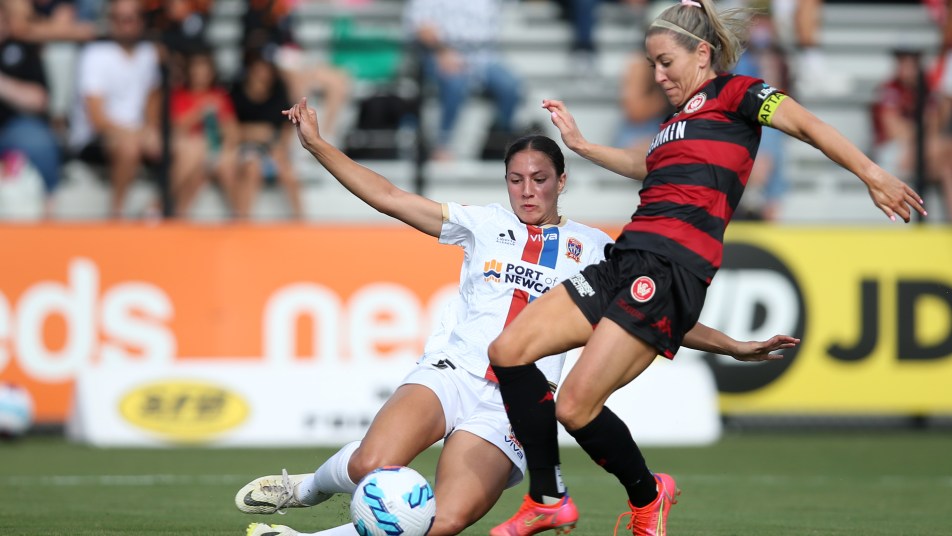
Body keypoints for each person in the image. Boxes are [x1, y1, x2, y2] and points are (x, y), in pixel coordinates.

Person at [234, 97, 799, 536]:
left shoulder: (597, 249)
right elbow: (390, 196)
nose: (527, 191)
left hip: (512, 406)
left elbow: (653, 313)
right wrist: (318, 146)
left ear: (562, 181)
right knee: (371, 466)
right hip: (453, 372)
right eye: (516, 180)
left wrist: (733, 345)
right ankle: (305, 488)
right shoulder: (481, 224)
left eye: (540, 179)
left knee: (445, 520)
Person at [484, 1, 927, 535]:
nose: (657, 75)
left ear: (701, 53)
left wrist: (872, 174)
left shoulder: (738, 94)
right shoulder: (675, 123)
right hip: (624, 258)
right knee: (507, 351)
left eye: (666, 62)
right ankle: (548, 497)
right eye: (652, 64)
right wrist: (580, 146)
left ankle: (647, 497)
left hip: (669, 269)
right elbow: (645, 164)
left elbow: (807, 126)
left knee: (575, 407)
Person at [68, 0, 162, 219]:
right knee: (129, 147)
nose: (124, 25)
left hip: (136, 133)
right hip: (95, 137)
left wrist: (150, 129)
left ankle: (155, 211)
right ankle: (116, 215)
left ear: (141, 21)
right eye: (118, 19)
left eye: (129, 19)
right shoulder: (96, 53)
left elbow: (153, 98)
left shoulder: (148, 53)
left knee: (188, 148)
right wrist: (138, 134)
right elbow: (97, 119)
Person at [404, 0, 523, 160]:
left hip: (485, 57)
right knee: (455, 83)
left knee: (510, 86)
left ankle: (499, 142)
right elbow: (421, 28)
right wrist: (443, 51)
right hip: (441, 53)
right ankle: (443, 145)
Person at [0, 0, 63, 218]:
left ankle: (49, 213)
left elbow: (39, 99)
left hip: (17, 125)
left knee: (39, 141)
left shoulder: (22, 50)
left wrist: (3, 84)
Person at [229, 48, 301, 219]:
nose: (263, 74)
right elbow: (229, 129)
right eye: (258, 69)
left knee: (288, 173)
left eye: (266, 69)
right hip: (244, 147)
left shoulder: (279, 92)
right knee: (252, 168)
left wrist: (281, 148)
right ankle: (242, 220)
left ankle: (300, 220)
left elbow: (287, 126)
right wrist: (253, 132)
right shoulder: (236, 93)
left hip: (272, 148)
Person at [168, 48, 239, 218]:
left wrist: (221, 126)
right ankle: (170, 206)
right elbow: (174, 129)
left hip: (212, 152)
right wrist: (199, 112)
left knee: (224, 163)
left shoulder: (220, 97)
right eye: (196, 69)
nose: (200, 74)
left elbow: (233, 133)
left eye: (204, 70)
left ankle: (238, 218)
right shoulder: (179, 95)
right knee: (196, 155)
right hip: (187, 150)